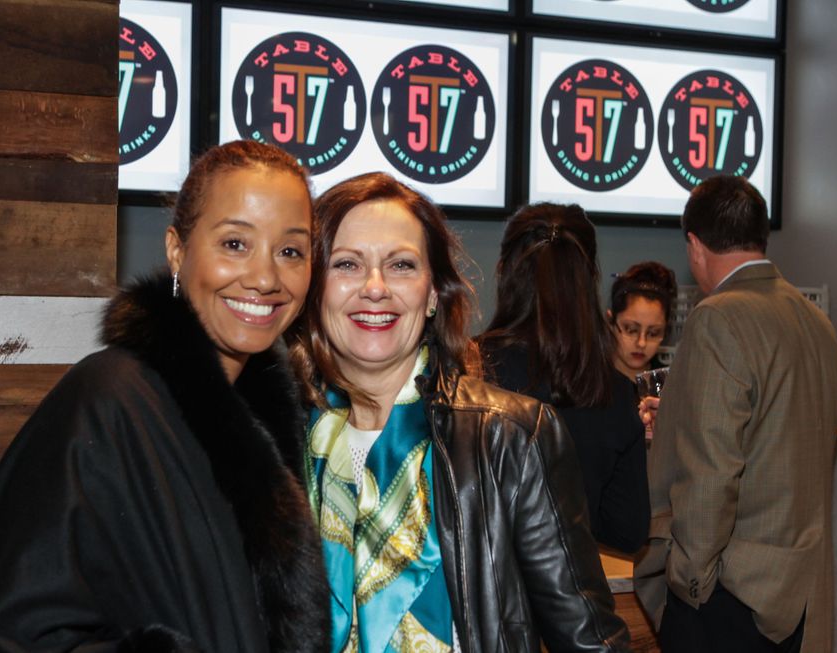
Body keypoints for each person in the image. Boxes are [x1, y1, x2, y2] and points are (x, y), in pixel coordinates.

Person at [0, 141, 331, 652]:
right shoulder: (108, 401)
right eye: (234, 244)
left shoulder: (263, 418)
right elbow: (16, 630)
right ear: (177, 250)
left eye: (290, 251)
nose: (265, 277)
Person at [289, 173, 631, 652]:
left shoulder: (511, 437)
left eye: (402, 265)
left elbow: (591, 642)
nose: (375, 287)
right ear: (313, 286)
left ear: (432, 293)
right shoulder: (275, 442)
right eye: (347, 263)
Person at [633, 175, 837, 653]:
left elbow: (711, 475)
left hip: (732, 599)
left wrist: (689, 587)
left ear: (694, 245)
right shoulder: (818, 323)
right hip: (802, 599)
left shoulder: (719, 317)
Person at [476, 203, 649, 554]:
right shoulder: (615, 395)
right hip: (569, 597)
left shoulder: (466, 373)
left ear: (503, 272)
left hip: (476, 598)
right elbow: (628, 531)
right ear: (588, 282)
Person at [607, 261, 678, 383]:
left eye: (653, 333)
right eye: (631, 330)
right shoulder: (590, 381)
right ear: (610, 321)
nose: (641, 343)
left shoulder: (671, 384)